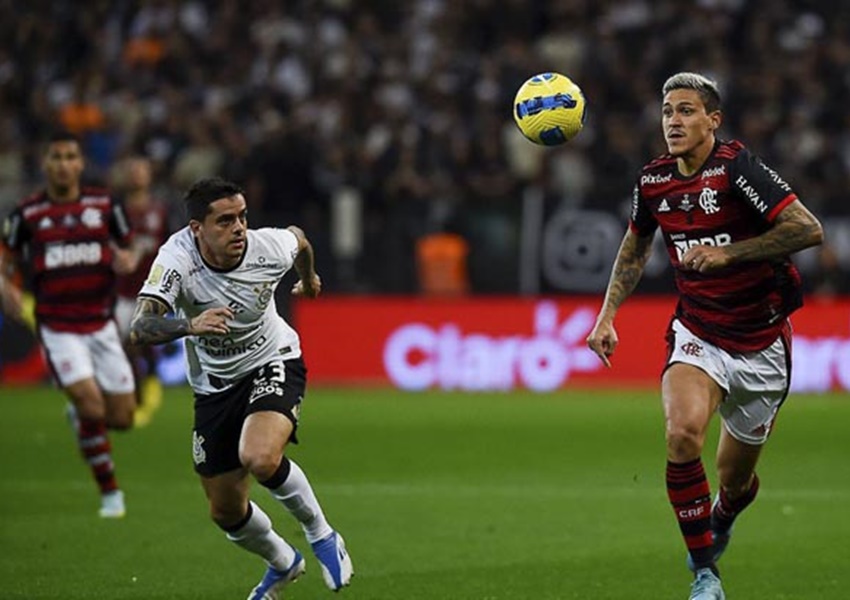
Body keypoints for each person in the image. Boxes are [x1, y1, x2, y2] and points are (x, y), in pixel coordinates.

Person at [585, 73, 824, 600]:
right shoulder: (653, 182)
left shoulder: (738, 169)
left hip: (761, 343)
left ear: (713, 120)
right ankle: (705, 574)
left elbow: (808, 229)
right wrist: (606, 317)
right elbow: (633, 247)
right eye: (668, 111)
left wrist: (730, 253)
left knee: (735, 483)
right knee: (681, 434)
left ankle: (724, 513)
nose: (674, 121)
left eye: (687, 111)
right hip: (698, 332)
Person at [128, 177, 353, 598]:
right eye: (225, 220)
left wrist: (310, 279)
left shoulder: (266, 247)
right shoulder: (176, 260)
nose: (239, 228)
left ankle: (322, 535)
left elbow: (299, 241)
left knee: (260, 456)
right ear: (197, 228)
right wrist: (190, 324)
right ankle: (283, 563)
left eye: (243, 217)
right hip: (214, 386)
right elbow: (140, 327)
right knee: (225, 509)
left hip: (273, 358)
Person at [0, 130, 142, 518]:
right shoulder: (27, 213)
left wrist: (127, 259)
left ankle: (79, 415)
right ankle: (111, 494)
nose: (63, 164)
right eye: (56, 157)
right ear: (45, 164)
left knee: (123, 418)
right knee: (93, 405)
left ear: (80, 164)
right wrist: (5, 287)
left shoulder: (104, 204)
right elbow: (5, 258)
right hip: (58, 327)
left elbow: (127, 246)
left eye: (70, 157)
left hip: (101, 324)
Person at [112, 156, 171, 426]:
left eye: (141, 170)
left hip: (151, 292)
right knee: (123, 350)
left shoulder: (159, 211)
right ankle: (138, 391)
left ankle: (141, 393)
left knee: (134, 344)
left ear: (150, 176)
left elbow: (172, 247)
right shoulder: (116, 212)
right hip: (120, 293)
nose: (136, 175)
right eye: (132, 170)